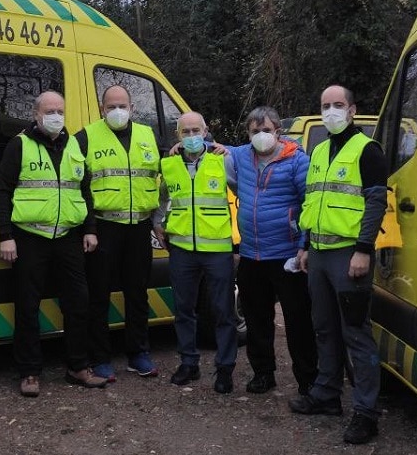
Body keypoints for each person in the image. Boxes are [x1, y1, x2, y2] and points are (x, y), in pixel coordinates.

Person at [289, 85, 388, 445]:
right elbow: (312, 202)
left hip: (350, 256)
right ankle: (326, 396)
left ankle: (366, 412)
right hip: (317, 253)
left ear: (352, 109)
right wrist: (304, 247)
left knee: (356, 334)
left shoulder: (368, 150)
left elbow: (376, 204)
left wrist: (364, 249)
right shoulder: (317, 151)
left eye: (337, 105)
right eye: (325, 105)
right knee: (325, 328)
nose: (331, 111)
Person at [0, 91, 107, 397]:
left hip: (69, 236)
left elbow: (83, 189)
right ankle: (29, 372)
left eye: (60, 110)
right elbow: (2, 191)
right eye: (49, 111)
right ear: (36, 114)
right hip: (30, 237)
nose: (56, 116)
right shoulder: (20, 145)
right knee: (28, 306)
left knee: (78, 302)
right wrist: (6, 236)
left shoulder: (74, 144)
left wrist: (90, 229)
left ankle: (78, 367)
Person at [226, 106, 317, 396]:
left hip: (287, 254)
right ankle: (263, 373)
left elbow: (310, 204)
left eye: (266, 130)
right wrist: (189, 144)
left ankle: (307, 379)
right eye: (255, 131)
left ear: (278, 130)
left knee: (297, 320)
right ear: (248, 134)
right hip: (253, 255)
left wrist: (305, 244)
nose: (261, 135)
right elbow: (213, 147)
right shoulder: (241, 156)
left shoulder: (297, 161)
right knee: (256, 319)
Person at [76, 85, 161, 381]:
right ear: (102, 108)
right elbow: (78, 187)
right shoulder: (85, 137)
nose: (117, 110)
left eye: (122, 105)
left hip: (139, 226)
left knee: (137, 293)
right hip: (103, 227)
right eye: (111, 106)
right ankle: (100, 357)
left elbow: (162, 174)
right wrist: (88, 228)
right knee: (98, 295)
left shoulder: (148, 135)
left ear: (132, 108)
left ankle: (138, 353)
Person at [154, 112, 238, 394]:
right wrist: (158, 224)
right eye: (185, 132)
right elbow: (162, 198)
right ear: (178, 136)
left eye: (195, 130)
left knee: (223, 311)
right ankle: (188, 363)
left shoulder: (222, 159)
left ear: (206, 132)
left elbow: (244, 190)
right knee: (183, 310)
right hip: (181, 249)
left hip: (217, 249)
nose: (191, 136)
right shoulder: (169, 164)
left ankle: (225, 368)